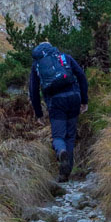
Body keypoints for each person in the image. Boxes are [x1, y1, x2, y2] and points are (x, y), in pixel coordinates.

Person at [28, 41, 88, 181]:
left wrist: (39, 114)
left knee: (58, 137)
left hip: (55, 102)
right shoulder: (64, 57)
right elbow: (81, 76)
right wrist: (84, 100)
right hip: (74, 98)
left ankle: (61, 152)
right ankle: (65, 174)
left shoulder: (37, 65)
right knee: (70, 136)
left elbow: (33, 90)